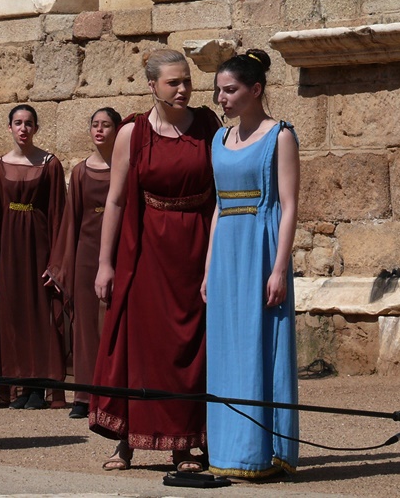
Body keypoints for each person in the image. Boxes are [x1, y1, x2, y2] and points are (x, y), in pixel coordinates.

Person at [91, 50, 220, 472]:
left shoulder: (207, 125)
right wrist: (105, 264)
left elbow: (221, 193)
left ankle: (184, 445)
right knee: (142, 346)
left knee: (191, 349)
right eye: (173, 83)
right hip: (147, 250)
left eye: (186, 81)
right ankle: (127, 440)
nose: (183, 89)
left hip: (197, 245)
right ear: (152, 86)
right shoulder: (133, 132)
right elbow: (114, 201)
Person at [202, 50, 299, 478]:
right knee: (227, 350)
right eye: (219, 90)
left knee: (261, 345)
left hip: (262, 245)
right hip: (226, 251)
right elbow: (219, 208)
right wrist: (208, 268)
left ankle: (263, 451)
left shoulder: (280, 136)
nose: (221, 98)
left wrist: (279, 268)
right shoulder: (218, 140)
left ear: (255, 89)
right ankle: (227, 450)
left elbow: (291, 205)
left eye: (230, 90)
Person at [0, 104, 67, 410]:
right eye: (18, 123)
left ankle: (39, 386)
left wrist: (57, 262)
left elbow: (59, 215)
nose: (23, 128)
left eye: (29, 123)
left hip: (39, 246)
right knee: (13, 315)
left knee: (40, 313)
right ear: (10, 128)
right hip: (9, 249)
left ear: (36, 128)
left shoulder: (50, 164)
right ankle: (18, 386)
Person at [48, 107, 121, 420]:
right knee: (86, 326)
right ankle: (83, 394)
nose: (99, 130)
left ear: (118, 130)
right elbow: (71, 221)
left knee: (115, 324)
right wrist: (64, 265)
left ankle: (114, 392)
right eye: (95, 125)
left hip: (119, 253)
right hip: (85, 255)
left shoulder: (127, 168)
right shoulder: (79, 171)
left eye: (106, 125)